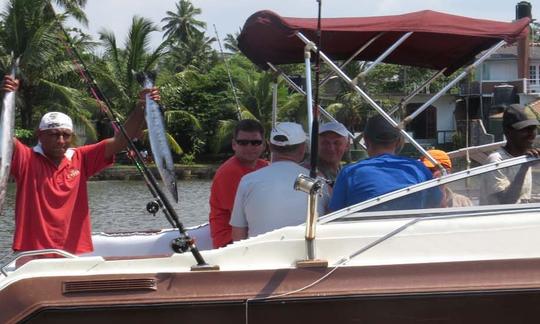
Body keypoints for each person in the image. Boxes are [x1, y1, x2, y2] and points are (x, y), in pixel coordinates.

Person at [2, 75, 160, 255]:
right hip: (32, 254)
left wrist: (142, 106)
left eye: (66, 134)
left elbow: (120, 141)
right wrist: (6, 97)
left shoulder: (80, 157)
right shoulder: (26, 158)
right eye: (54, 134)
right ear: (40, 135)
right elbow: (4, 133)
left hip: (73, 252)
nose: (61, 140)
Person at [230, 122, 327, 240]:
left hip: (258, 254)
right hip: (306, 253)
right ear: (303, 148)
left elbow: (238, 233)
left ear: (270, 146)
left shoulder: (248, 181)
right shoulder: (316, 181)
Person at [329, 115, 440, 211]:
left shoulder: (349, 172)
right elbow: (438, 206)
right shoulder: (419, 169)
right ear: (397, 142)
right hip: (409, 232)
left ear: (366, 142)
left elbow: (333, 213)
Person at [208, 119, 268, 248]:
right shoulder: (228, 173)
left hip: (255, 234)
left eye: (255, 142)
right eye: (243, 142)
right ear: (234, 144)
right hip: (230, 242)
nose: (249, 147)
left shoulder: (265, 166)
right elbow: (245, 217)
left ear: (263, 145)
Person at [480, 104, 540, 205]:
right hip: (498, 219)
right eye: (525, 129)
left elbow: (524, 199)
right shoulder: (496, 161)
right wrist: (524, 167)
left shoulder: (526, 158)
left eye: (533, 128)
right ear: (508, 131)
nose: (531, 134)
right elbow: (505, 202)